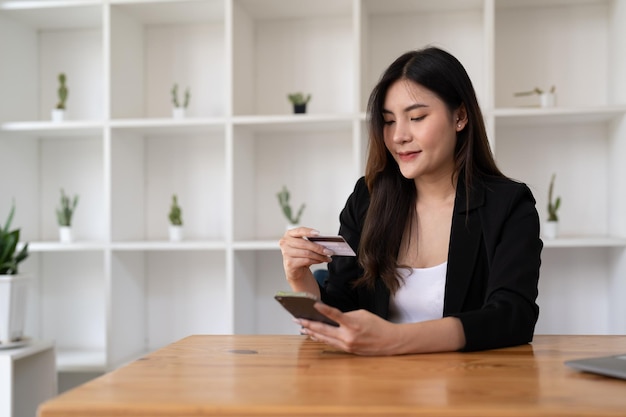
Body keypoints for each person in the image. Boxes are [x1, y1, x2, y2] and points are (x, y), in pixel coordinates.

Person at [278, 46, 542, 355]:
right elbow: (342, 312)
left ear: (460, 116)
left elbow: (513, 317)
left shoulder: (508, 205)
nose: (398, 136)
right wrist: (300, 278)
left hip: (469, 387)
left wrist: (395, 339)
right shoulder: (368, 198)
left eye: (416, 117)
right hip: (378, 388)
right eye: (389, 121)